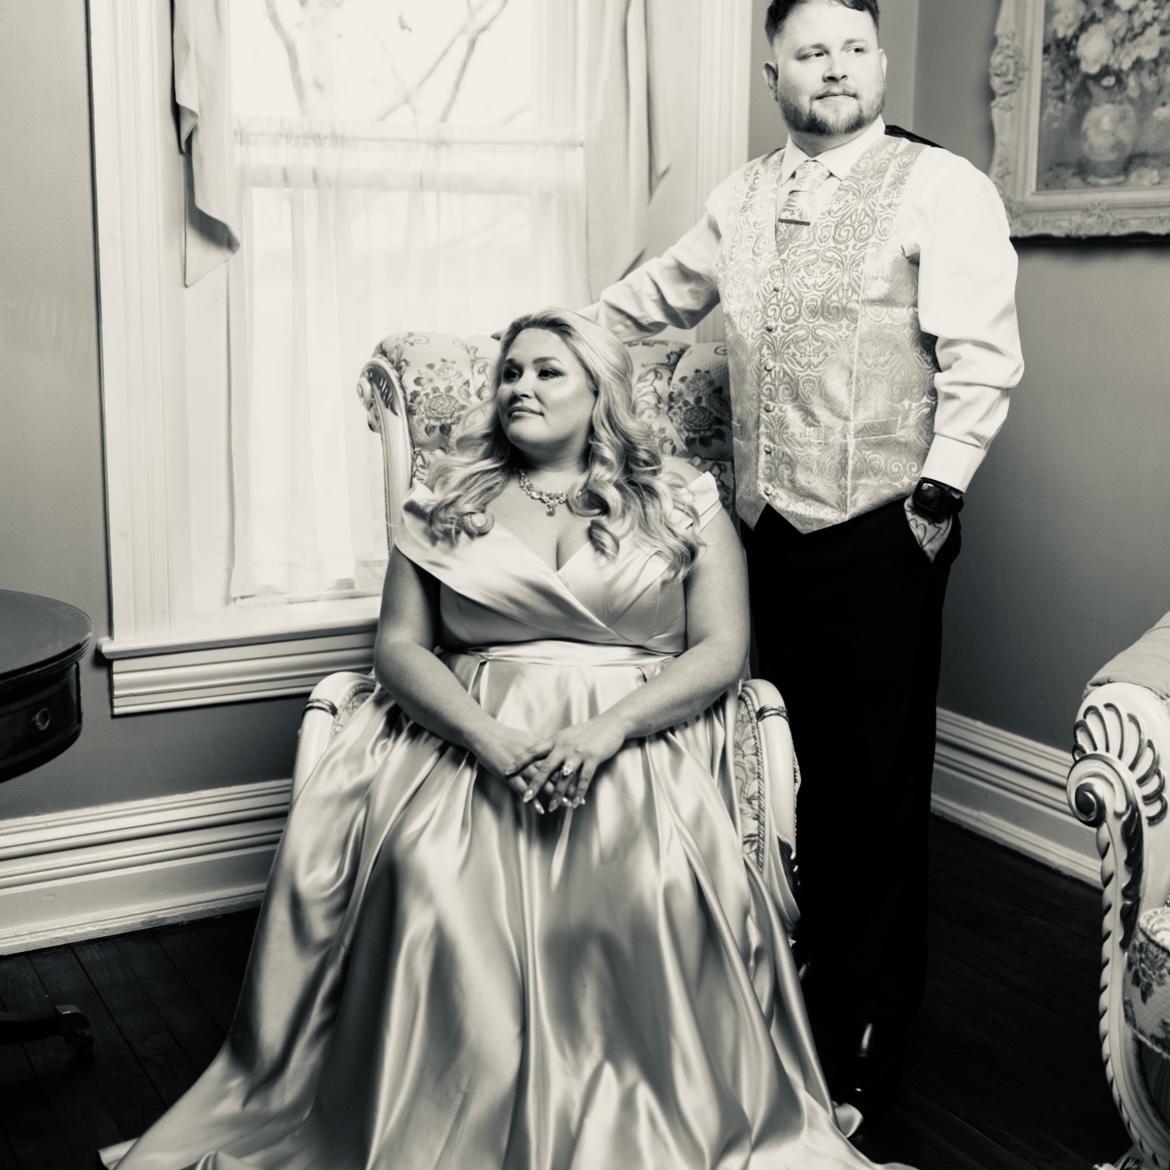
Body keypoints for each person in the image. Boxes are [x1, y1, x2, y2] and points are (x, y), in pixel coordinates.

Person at [103, 309, 913, 1169]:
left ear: (599, 389)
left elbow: (721, 650)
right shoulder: (446, 496)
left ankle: (641, 1110)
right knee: (427, 879)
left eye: (546, 371)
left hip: (636, 733)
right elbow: (399, 650)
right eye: (510, 372)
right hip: (470, 732)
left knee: (653, 882)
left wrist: (606, 732)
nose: (519, 386)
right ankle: (442, 1118)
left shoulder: (682, 496)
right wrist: (488, 740)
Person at [582, 0, 1024, 1110]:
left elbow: (982, 357)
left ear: (879, 62)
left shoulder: (942, 186)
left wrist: (936, 498)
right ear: (772, 69)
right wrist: (543, 347)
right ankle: (773, 986)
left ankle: (867, 1025)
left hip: (884, 527)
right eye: (812, 51)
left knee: (874, 784)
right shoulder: (740, 196)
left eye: (856, 49)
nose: (837, 68)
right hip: (760, 532)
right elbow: (652, 301)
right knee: (770, 762)